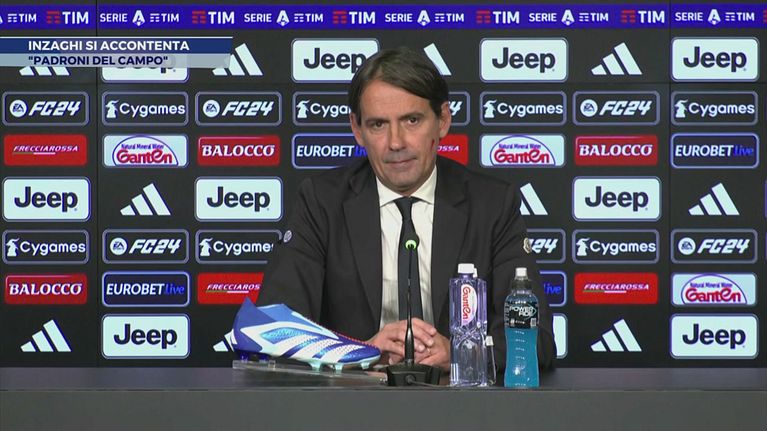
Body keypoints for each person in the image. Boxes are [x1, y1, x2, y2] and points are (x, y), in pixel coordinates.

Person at [257, 46, 555, 373]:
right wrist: (360, 353)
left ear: (443, 120)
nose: (396, 142)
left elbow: (537, 340)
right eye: (378, 125)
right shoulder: (321, 202)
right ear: (357, 129)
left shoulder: (492, 205)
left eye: (412, 120)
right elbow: (272, 331)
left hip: (458, 400)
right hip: (353, 400)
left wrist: (460, 353)